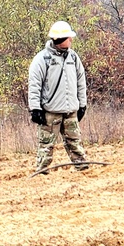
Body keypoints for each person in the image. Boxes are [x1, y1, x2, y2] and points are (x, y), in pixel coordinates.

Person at [27, 21, 88, 173]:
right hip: (50, 112)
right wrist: (35, 109)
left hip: (70, 111)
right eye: (69, 37)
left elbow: (81, 81)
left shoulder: (73, 58)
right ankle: (42, 173)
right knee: (46, 145)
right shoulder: (42, 59)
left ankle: (83, 169)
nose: (71, 40)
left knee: (75, 143)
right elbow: (34, 84)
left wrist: (82, 105)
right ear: (60, 39)